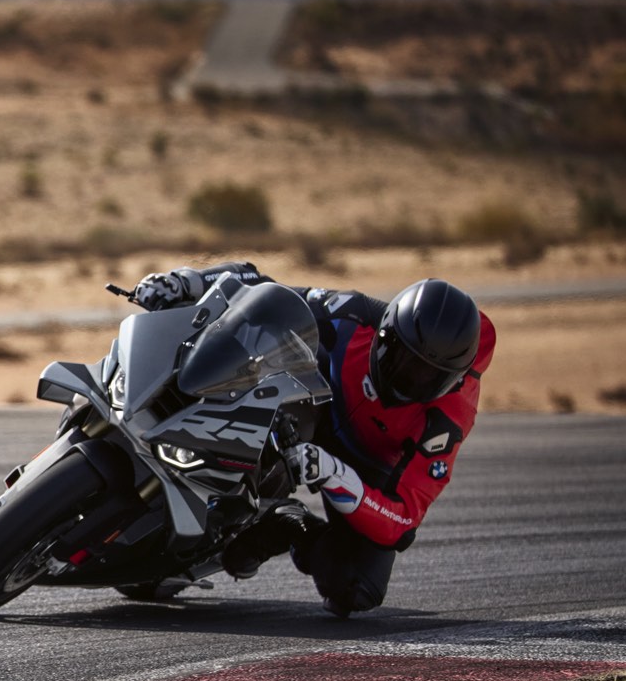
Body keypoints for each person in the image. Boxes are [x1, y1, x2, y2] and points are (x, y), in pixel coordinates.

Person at [129, 264, 495, 616]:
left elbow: (403, 520)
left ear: (455, 379)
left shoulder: (446, 421)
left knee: (358, 587)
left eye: (431, 377)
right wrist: (187, 281)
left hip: (366, 465)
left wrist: (336, 475)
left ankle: (283, 525)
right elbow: (263, 287)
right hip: (313, 407)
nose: (410, 380)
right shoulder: (354, 313)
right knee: (257, 343)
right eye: (404, 360)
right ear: (385, 333)